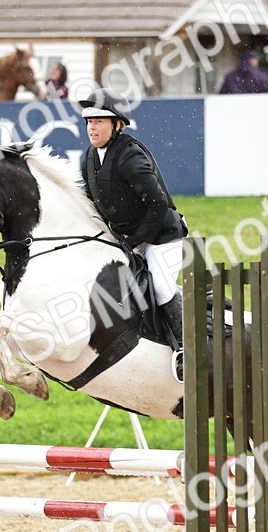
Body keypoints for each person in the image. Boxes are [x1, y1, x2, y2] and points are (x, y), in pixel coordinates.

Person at [78, 88, 188, 361]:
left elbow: (158, 205)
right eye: (89, 122)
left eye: (99, 121)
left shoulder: (130, 156)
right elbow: (92, 204)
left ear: (117, 125)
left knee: (160, 285)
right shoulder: (89, 158)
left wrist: (133, 241)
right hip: (129, 240)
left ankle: (186, 348)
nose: (92, 128)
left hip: (162, 238)